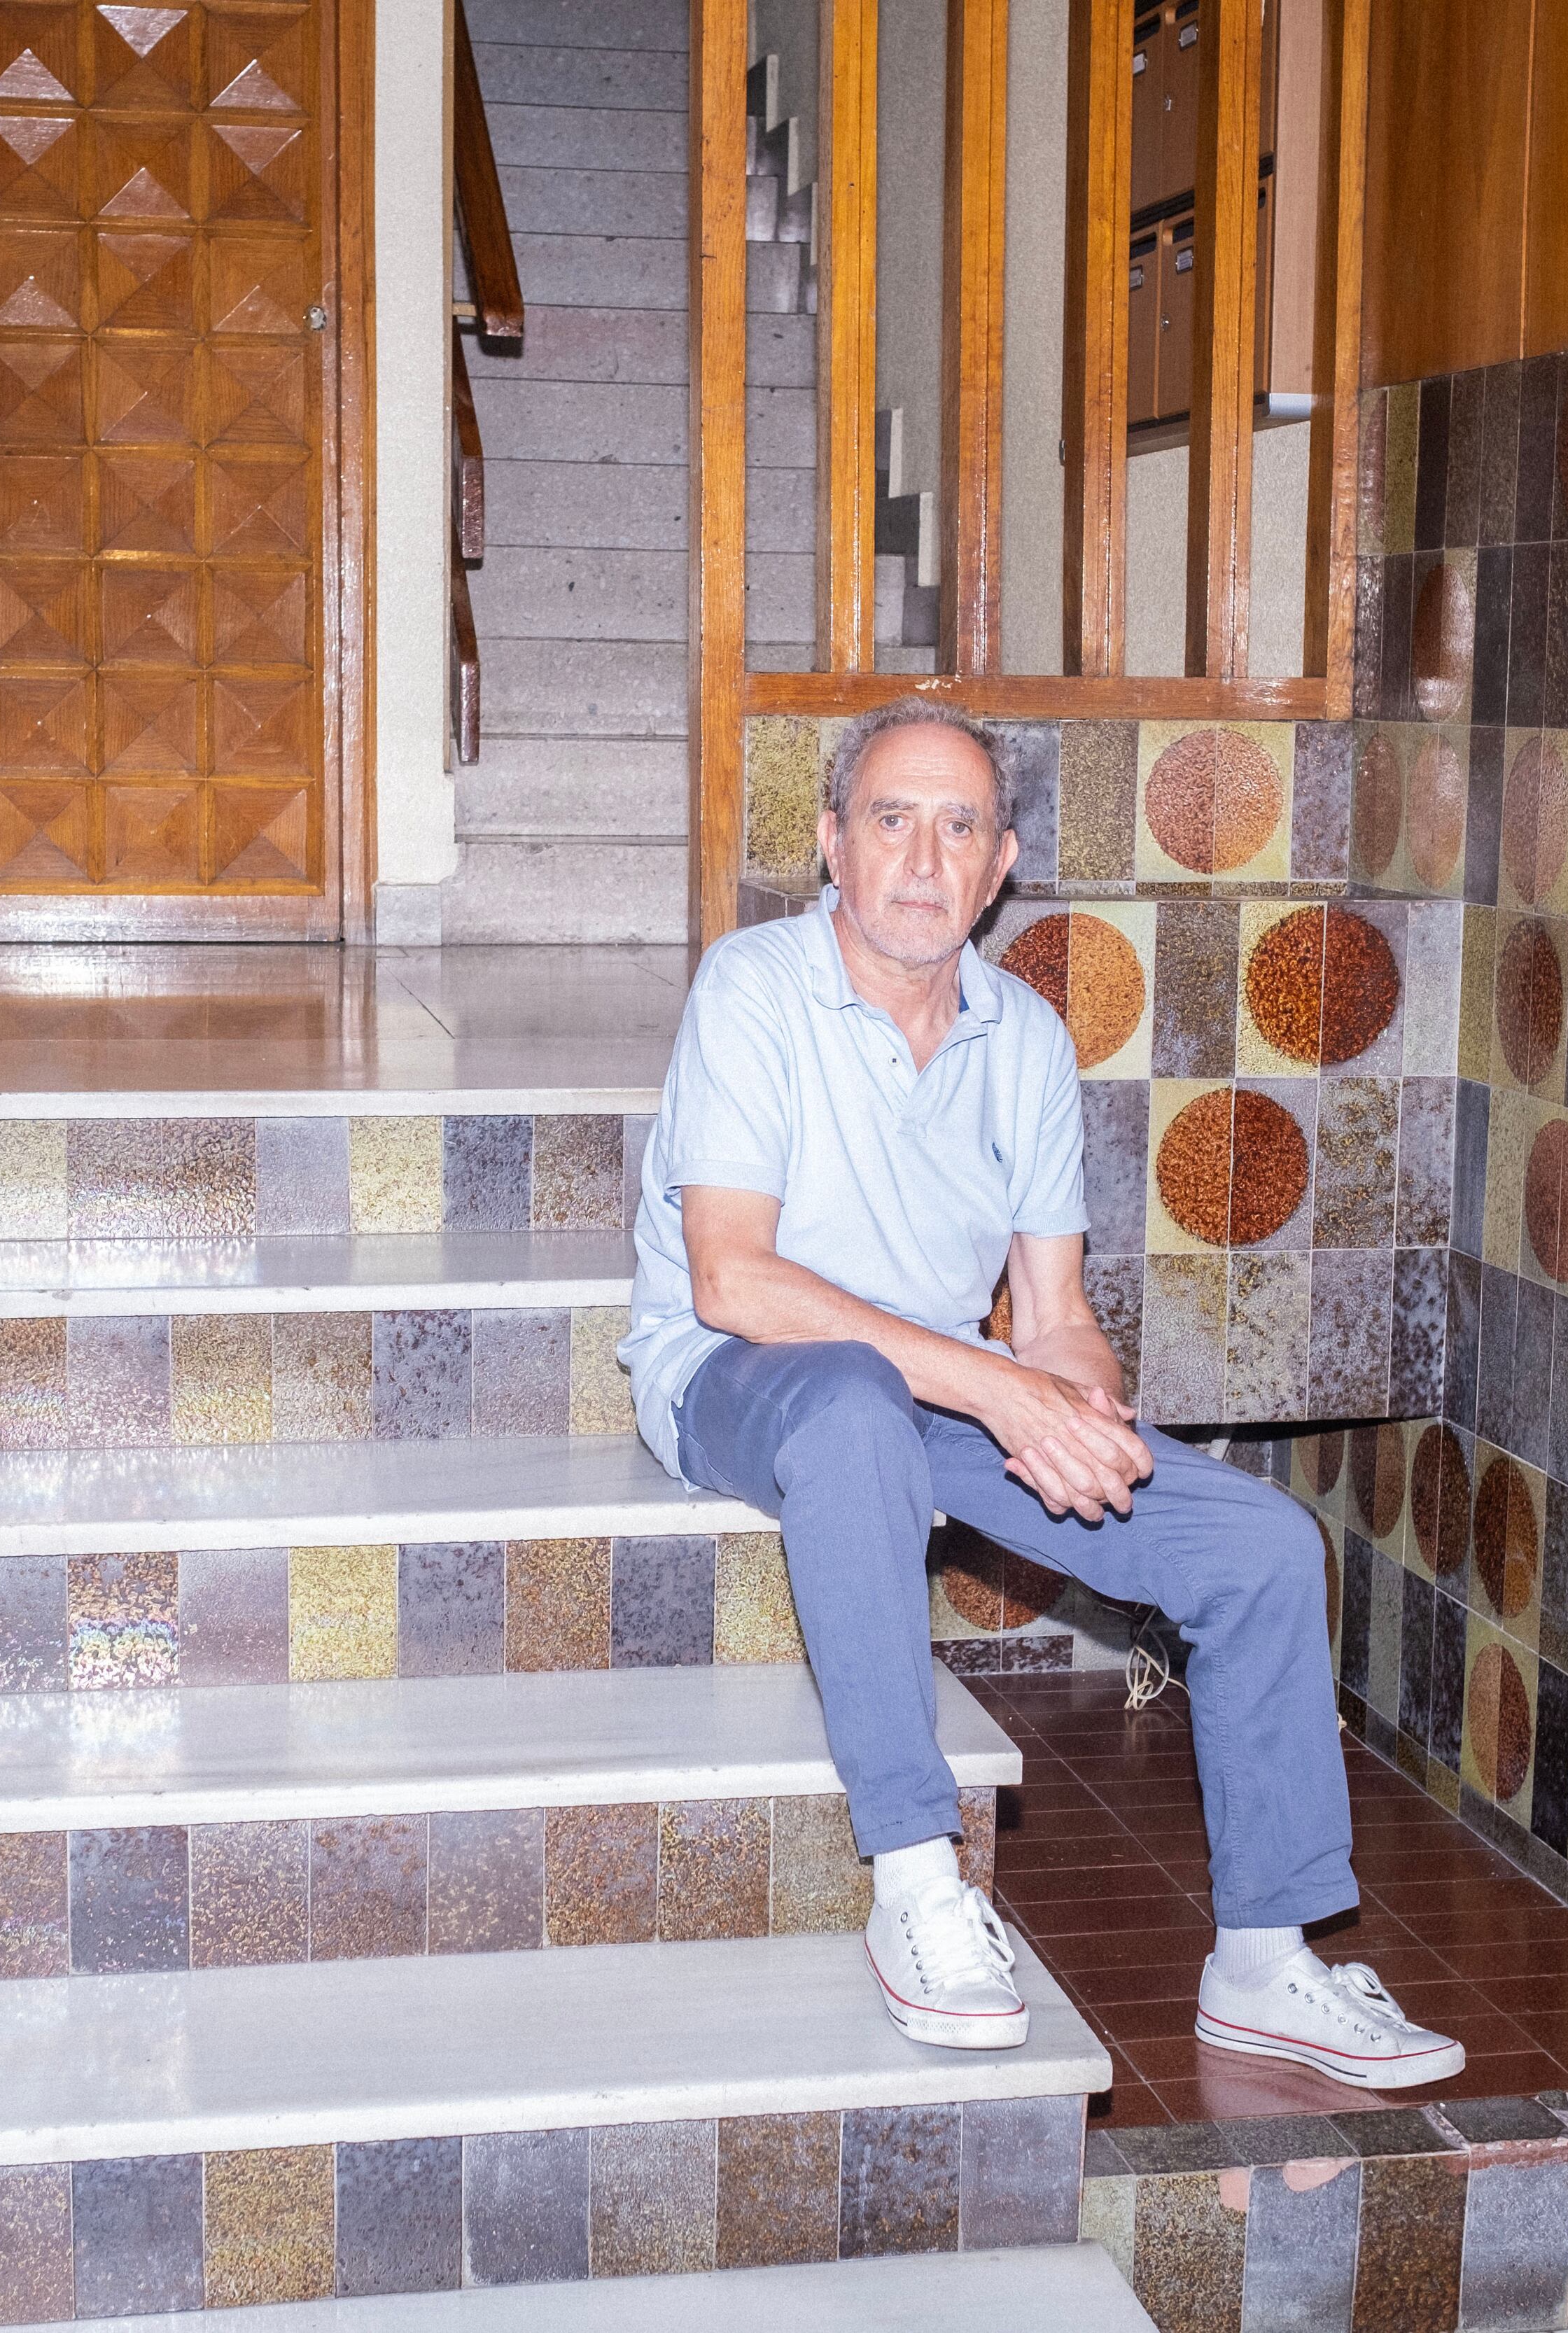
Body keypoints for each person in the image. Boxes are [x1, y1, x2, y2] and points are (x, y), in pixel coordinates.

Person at [618, 702, 1464, 2090]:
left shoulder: (1021, 1036)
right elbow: (732, 1279)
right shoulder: (752, 986)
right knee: (846, 1403)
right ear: (833, 843)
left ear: (999, 863)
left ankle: (1264, 1958)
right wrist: (1003, 1388)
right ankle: (914, 1877)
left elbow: (1058, 1317)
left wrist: (1081, 1409)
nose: (921, 856)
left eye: (958, 826)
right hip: (743, 1376)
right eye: (890, 818)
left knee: (1258, 1545)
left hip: (938, 1389)